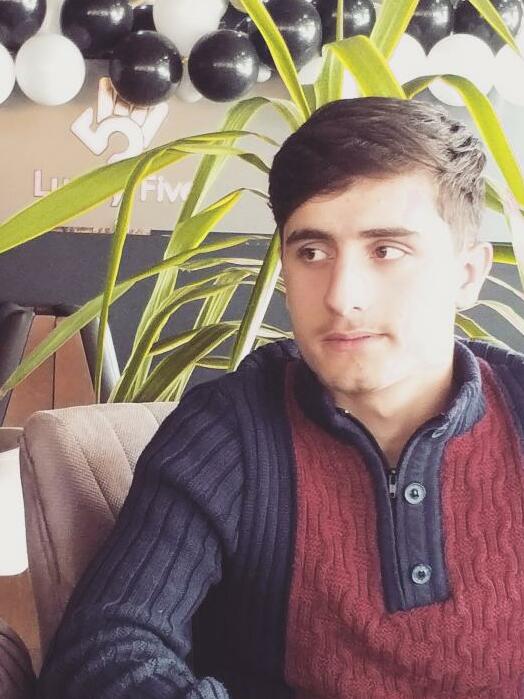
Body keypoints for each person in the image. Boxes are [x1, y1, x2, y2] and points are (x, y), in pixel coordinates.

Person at [37, 97, 524, 699]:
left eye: (386, 250)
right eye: (312, 252)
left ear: (467, 274)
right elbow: (102, 653)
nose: (342, 296)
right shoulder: (232, 432)